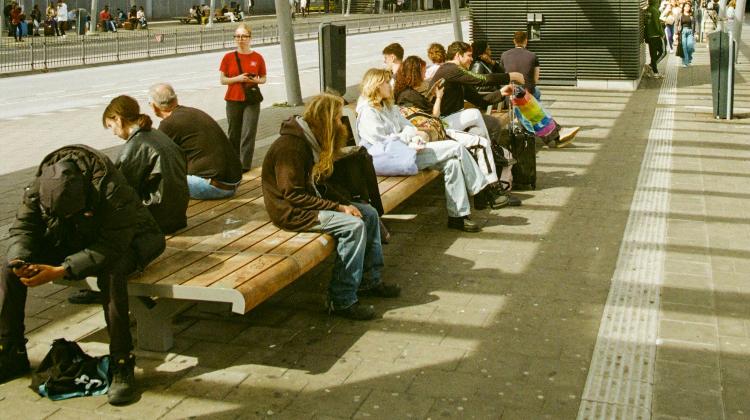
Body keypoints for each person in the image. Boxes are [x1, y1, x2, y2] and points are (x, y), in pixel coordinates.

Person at [0, 144, 166, 405]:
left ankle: (122, 362)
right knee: (8, 269)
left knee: (112, 275)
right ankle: (11, 351)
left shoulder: (112, 190)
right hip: (75, 234)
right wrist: (20, 259)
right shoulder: (41, 185)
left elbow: (112, 245)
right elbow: (24, 226)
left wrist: (62, 269)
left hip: (133, 238)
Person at [262, 93, 401, 320]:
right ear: (325, 121)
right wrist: (338, 208)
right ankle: (342, 298)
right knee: (353, 227)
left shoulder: (309, 141)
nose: (340, 124)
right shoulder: (292, 148)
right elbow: (293, 195)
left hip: (308, 204)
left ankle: (369, 280)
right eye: (337, 119)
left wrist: (345, 203)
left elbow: (318, 186)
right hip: (292, 212)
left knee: (369, 213)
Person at [357, 68, 501, 232]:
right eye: (386, 82)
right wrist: (407, 137)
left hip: (405, 153)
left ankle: (458, 217)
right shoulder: (368, 112)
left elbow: (409, 127)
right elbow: (380, 142)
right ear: (375, 85)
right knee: (456, 147)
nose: (391, 85)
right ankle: (481, 189)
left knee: (452, 164)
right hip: (387, 160)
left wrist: (408, 136)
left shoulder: (388, 107)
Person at [394, 56, 520, 208]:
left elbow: (481, 100)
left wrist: (500, 93)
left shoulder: (412, 92)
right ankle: (492, 188)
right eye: (422, 71)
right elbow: (432, 118)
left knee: (478, 132)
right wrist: (438, 97)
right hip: (434, 133)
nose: (425, 75)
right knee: (478, 131)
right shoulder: (409, 95)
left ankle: (485, 195)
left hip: (438, 129)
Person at [102, 95, 189, 234]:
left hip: (157, 219)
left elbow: (119, 188)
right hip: (176, 216)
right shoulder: (155, 134)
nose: (113, 132)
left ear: (118, 119)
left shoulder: (135, 145)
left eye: (111, 126)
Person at [149, 83, 243, 200]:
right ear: (176, 98)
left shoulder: (169, 124)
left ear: (153, 106)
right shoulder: (193, 112)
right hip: (233, 182)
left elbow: (157, 159)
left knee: (158, 182)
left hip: (216, 187)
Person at [431, 41, 523, 148]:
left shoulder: (457, 75)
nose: (471, 59)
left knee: (494, 124)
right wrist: (511, 76)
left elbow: (479, 100)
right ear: (458, 55)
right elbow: (482, 79)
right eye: (469, 55)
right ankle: (491, 155)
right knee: (479, 127)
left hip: (457, 118)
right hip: (443, 121)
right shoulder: (450, 69)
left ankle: (492, 155)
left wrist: (502, 92)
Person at [220, 22, 267, 172]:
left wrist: (255, 80)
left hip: (251, 100)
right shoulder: (228, 57)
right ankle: (233, 162)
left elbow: (264, 78)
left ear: (250, 38)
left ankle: (245, 165)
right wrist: (238, 78)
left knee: (248, 132)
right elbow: (223, 80)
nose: (240, 39)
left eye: (244, 36)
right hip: (233, 98)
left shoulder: (257, 57)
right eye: (237, 36)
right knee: (234, 133)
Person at [500, 32, 542, 100]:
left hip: (510, 92)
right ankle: (535, 110)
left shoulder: (504, 55)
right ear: (526, 41)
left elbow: (502, 75)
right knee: (537, 92)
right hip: (527, 92)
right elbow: (535, 80)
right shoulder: (533, 55)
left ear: (514, 41)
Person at [644, 0, 666, 78]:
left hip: (649, 35)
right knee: (663, 52)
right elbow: (656, 24)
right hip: (656, 35)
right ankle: (652, 67)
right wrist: (662, 33)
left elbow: (647, 23)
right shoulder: (655, 10)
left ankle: (654, 71)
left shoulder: (647, 9)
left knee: (652, 54)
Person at [677, 2, 696, 67]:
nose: (687, 8)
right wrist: (676, 33)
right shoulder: (680, 15)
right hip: (682, 32)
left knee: (690, 46)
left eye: (688, 6)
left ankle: (689, 58)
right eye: (686, 6)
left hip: (690, 31)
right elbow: (676, 24)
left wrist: (695, 33)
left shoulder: (691, 15)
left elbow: (694, 24)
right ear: (683, 7)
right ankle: (685, 62)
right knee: (684, 47)